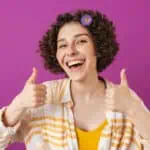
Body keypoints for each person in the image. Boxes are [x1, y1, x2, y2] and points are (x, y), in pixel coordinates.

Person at [0, 9, 149, 150]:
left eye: (81, 41)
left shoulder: (125, 99)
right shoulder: (42, 98)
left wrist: (132, 108)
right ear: (56, 55)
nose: (70, 51)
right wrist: (18, 105)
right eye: (63, 45)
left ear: (97, 47)